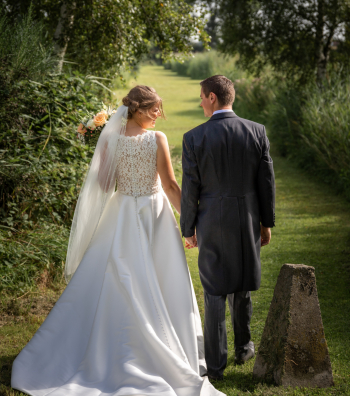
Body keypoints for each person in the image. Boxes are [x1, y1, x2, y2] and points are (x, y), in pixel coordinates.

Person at [11, 85, 225, 396]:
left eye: (158, 109)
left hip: (122, 212)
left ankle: (114, 343)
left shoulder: (110, 137)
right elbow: (170, 185)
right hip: (153, 215)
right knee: (157, 278)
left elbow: (104, 183)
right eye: (152, 109)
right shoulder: (157, 139)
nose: (157, 115)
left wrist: (104, 154)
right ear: (137, 109)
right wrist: (190, 226)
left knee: (117, 277)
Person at [180, 75, 275, 381]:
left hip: (211, 220)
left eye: (201, 96)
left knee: (214, 291)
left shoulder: (194, 137)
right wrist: (266, 222)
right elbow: (266, 183)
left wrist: (188, 228)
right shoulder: (256, 131)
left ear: (211, 97)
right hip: (247, 218)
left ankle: (216, 365)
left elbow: (190, 189)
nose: (199, 101)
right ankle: (244, 347)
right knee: (242, 283)